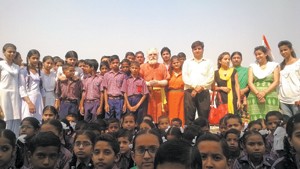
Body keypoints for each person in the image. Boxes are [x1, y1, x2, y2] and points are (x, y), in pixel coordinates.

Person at [182, 41, 214, 125]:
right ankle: (189, 136)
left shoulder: (209, 62)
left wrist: (200, 88)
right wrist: (195, 87)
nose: (197, 50)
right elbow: (185, 77)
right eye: (195, 49)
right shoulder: (187, 62)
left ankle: (203, 136)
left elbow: (211, 77)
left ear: (203, 49)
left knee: (204, 115)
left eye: (199, 48)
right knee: (189, 115)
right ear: (192, 50)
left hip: (203, 92)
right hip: (189, 92)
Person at [247, 46, 280, 121]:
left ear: (266, 54)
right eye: (256, 55)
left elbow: (276, 81)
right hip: (255, 96)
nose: (258, 56)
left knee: (271, 119)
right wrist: (258, 94)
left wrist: (264, 92)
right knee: (256, 120)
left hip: (270, 95)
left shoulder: (274, 66)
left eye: (260, 54)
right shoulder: (252, 66)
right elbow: (250, 82)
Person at [140, 48, 169, 122]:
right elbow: (139, 81)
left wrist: (158, 82)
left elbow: (166, 81)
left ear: (158, 56)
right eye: (150, 55)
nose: (152, 56)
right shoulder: (142, 67)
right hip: (147, 95)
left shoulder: (162, 66)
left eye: (155, 54)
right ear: (147, 56)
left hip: (160, 95)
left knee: (160, 115)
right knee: (147, 114)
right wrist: (149, 83)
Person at [0, 43, 21, 135]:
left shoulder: (17, 67)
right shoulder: (1, 65)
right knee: (5, 118)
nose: (12, 54)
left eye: (14, 52)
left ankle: (14, 140)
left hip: (15, 94)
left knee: (15, 118)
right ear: (4, 52)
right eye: (9, 52)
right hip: (4, 94)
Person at [19, 49, 44, 122]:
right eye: (33, 58)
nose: (36, 60)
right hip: (28, 99)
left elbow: (42, 89)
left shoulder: (40, 72)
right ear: (28, 58)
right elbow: (22, 89)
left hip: (38, 99)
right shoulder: (23, 71)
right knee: (28, 121)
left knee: (38, 121)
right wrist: (30, 103)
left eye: (37, 58)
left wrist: (43, 103)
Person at [277, 40, 300, 116]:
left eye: (285, 49)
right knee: (288, 125)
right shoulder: (280, 66)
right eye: (281, 51)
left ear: (291, 49)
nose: (283, 52)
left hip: (296, 99)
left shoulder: (298, 63)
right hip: (284, 101)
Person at [102, 55, 127, 120]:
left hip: (119, 100)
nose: (115, 64)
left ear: (119, 63)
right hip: (110, 100)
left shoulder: (123, 75)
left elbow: (124, 91)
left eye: (117, 62)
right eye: (113, 63)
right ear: (110, 64)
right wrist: (106, 103)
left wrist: (125, 104)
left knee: (119, 118)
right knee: (108, 119)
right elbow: (105, 90)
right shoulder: (106, 75)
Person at [167, 55, 185, 125]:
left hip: (181, 95)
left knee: (181, 112)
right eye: (174, 63)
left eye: (177, 62)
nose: (176, 64)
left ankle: (181, 129)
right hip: (171, 96)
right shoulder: (169, 74)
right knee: (172, 113)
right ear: (171, 64)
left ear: (180, 63)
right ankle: (172, 128)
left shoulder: (184, 73)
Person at [231, 51, 249, 115]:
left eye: (238, 58)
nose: (236, 59)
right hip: (231, 97)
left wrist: (244, 90)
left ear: (241, 59)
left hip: (244, 97)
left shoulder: (247, 70)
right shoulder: (228, 70)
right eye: (234, 58)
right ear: (231, 60)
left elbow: (251, 83)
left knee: (245, 119)